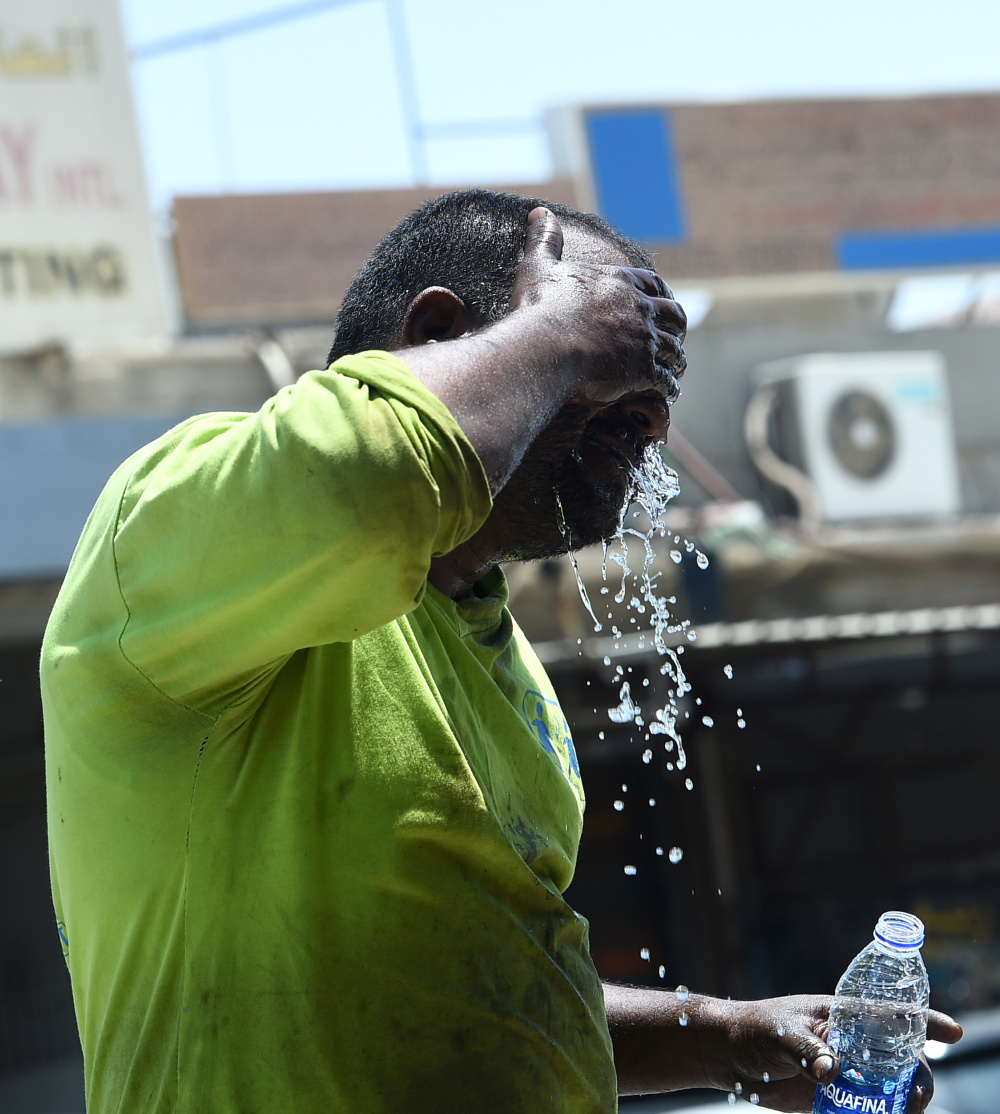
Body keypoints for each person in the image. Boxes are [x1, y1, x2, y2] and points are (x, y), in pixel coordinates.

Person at [41, 189, 960, 1113]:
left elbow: (483, 989)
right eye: (613, 352)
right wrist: (560, 337)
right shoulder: (175, 519)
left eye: (653, 396)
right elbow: (364, 475)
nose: (649, 425)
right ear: (439, 329)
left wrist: (723, 1037)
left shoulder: (502, 657)